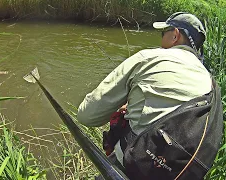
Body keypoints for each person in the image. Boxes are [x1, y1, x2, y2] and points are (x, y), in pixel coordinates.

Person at [77, 12, 211, 170]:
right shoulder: (209, 80)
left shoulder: (148, 58)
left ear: (175, 35)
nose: (161, 40)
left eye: (163, 33)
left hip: (135, 165)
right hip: (179, 172)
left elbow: (87, 116)